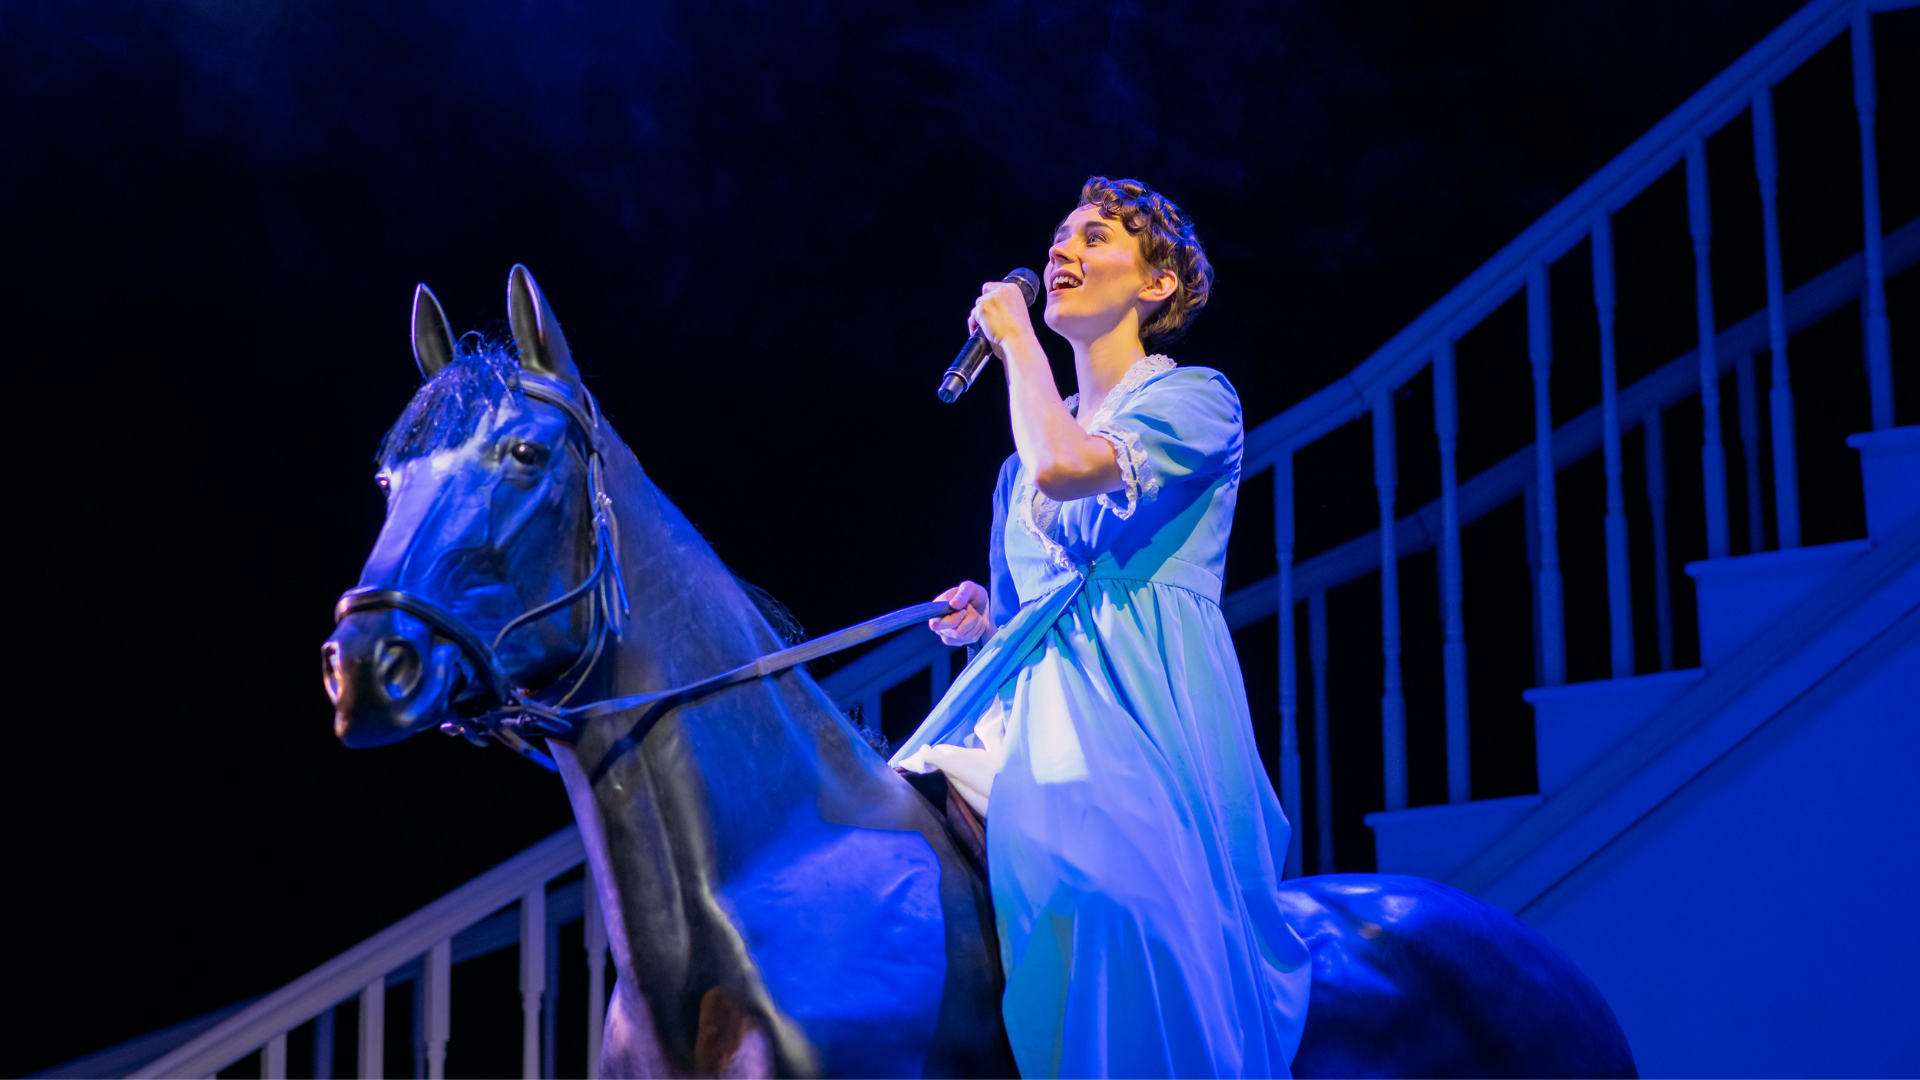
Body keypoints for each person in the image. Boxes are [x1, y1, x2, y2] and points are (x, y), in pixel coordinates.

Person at [890, 177, 1311, 1079]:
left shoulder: (1198, 399)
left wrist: (1015, 342)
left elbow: (1068, 467)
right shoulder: (1018, 465)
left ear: (1157, 285)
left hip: (1140, 708)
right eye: (1060, 237)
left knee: (1110, 899)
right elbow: (1035, 584)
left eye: (1095, 238)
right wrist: (991, 616)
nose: (1061, 251)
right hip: (1033, 703)